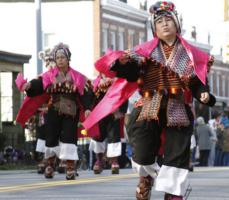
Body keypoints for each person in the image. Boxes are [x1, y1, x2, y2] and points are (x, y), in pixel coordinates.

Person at [83, 1, 215, 199]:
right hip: (148, 105)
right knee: (143, 153)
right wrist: (119, 64)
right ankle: (146, 178)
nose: (164, 24)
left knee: (177, 152)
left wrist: (203, 94)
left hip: (177, 107)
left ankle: (173, 192)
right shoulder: (145, 52)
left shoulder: (190, 55)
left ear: (177, 23)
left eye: (168, 19)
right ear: (154, 28)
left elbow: (197, 82)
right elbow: (131, 73)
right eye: (159, 21)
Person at [16, 43, 93, 180]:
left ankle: (70, 166)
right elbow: (38, 85)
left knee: (69, 137)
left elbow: (84, 94)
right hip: (53, 110)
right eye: (57, 58)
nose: (60, 60)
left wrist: (87, 108)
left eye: (63, 57)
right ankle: (50, 164)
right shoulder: (49, 75)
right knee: (51, 138)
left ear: (68, 58)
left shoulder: (77, 76)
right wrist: (29, 86)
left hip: (71, 111)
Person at [88, 74, 128, 174]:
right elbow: (90, 97)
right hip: (99, 113)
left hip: (113, 113)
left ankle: (114, 161)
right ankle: (99, 160)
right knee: (97, 136)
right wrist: (89, 109)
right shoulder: (95, 82)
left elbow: (124, 95)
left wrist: (122, 111)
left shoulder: (119, 81)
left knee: (114, 136)